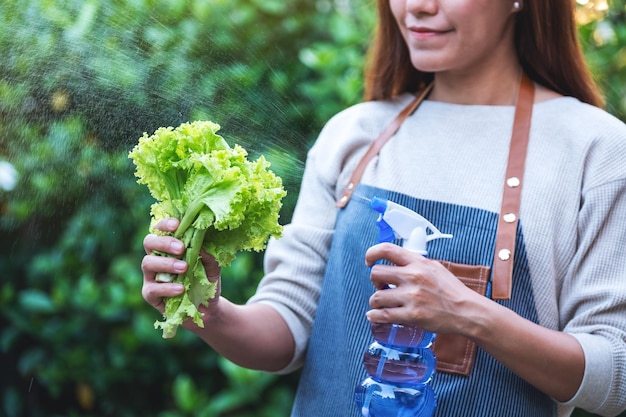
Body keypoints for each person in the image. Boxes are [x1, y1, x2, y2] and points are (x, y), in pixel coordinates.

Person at [141, 0, 626, 416]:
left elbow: (616, 374)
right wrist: (209, 311)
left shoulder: (593, 150)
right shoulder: (353, 136)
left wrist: (467, 313)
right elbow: (288, 327)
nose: (417, 6)